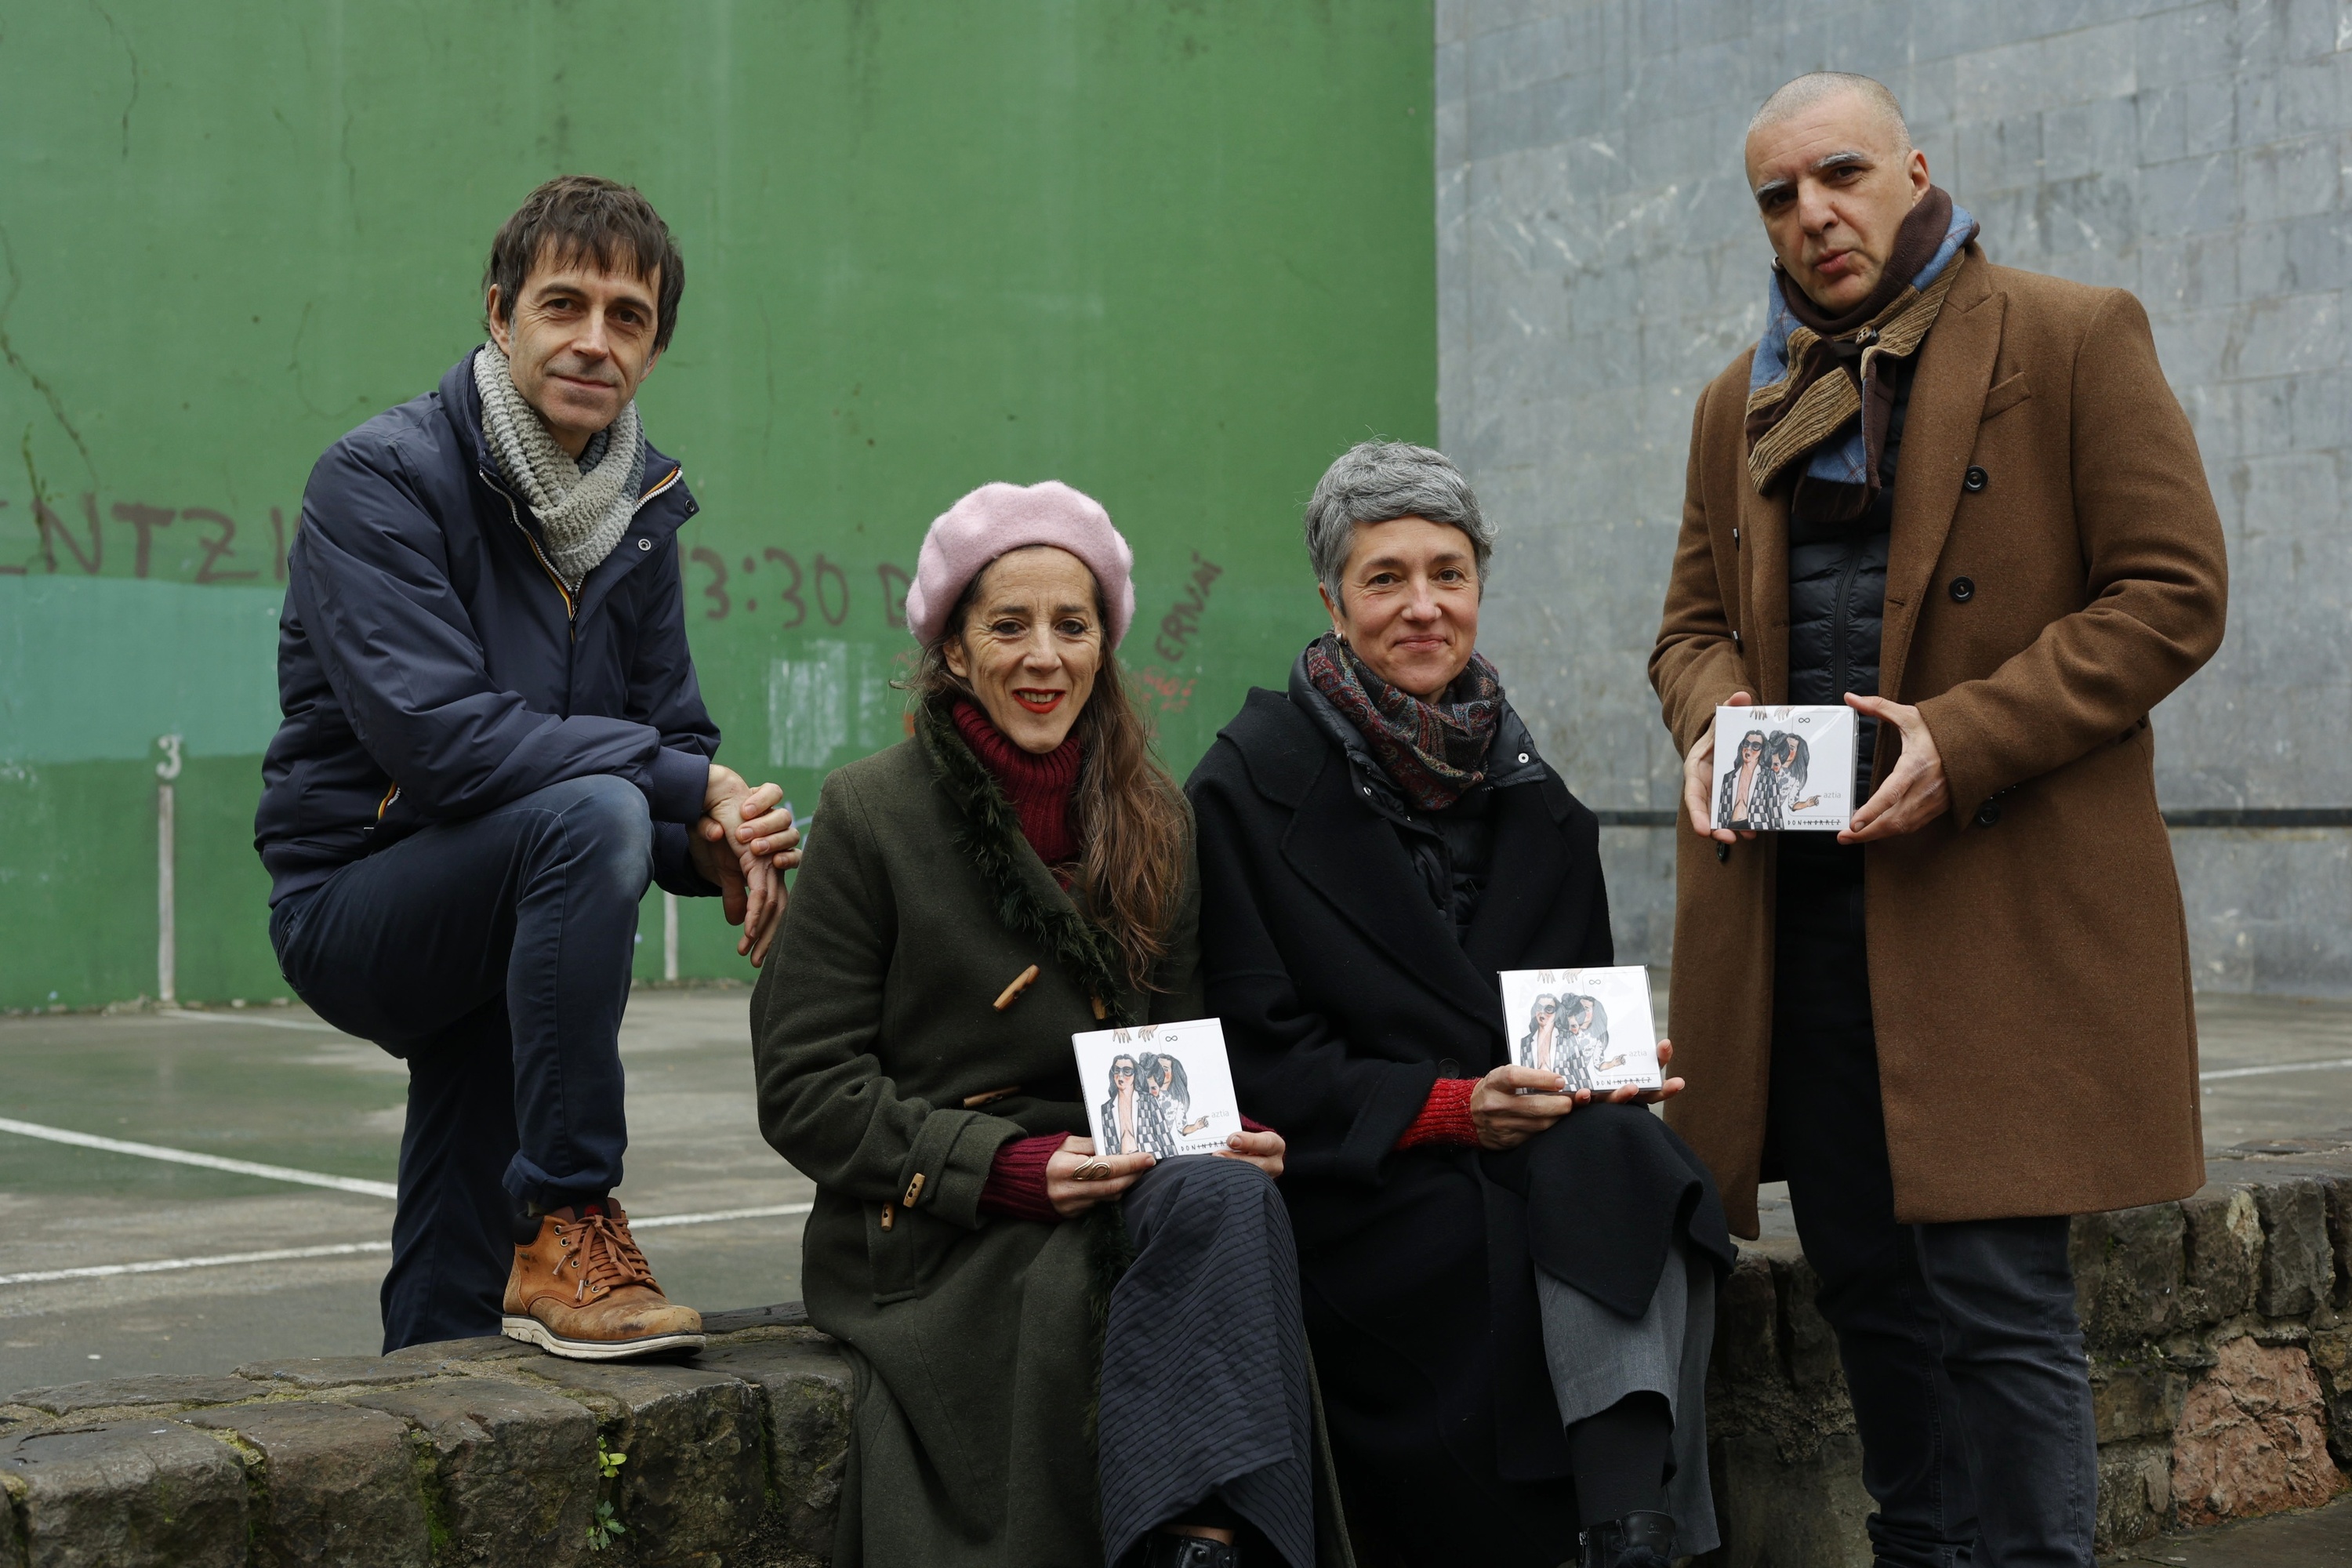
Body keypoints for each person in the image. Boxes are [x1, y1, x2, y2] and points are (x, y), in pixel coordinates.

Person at [1652, 74, 2228, 1566]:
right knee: (1866, 1290)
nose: (1812, 215)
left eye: (1838, 174)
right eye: (1777, 195)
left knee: (1996, 1301)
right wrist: (1712, 720)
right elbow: (1690, 630)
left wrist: (1963, 739)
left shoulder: (2070, 334)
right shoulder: (1744, 399)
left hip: (1992, 905)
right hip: (1806, 923)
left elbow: (2174, 592)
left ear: (1913, 167)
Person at [256, 176, 799, 1358]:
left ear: (655, 348)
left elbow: (673, 742)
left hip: (523, 888)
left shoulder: (639, 510)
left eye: (628, 317)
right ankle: (567, 1212)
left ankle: (434, 1388)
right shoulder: (380, 480)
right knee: (596, 812)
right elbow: (442, 742)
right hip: (359, 893)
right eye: (565, 306)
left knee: (457, 1250)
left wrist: (712, 838)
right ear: (501, 316)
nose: (594, 341)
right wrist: (664, 788)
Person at [750, 481, 1338, 1568]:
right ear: (956, 651)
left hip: (1132, 1182)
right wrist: (1011, 1168)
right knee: (1142, 1273)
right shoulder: (868, 814)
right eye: (1007, 625)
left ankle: (1194, 1551)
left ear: (1103, 647)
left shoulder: (1157, 814)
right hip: (943, 1226)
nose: (1043, 656)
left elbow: (1176, 1043)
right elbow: (802, 1090)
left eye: (1072, 626)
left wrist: (1223, 1128)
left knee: (1233, 1203)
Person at [1188, 441, 1733, 1568]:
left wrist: (1606, 1070)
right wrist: (1447, 1109)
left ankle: (1626, 1528)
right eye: (1386, 578)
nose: (1423, 607)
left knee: (1630, 1152)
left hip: (1527, 1164)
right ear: (1332, 602)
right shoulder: (1245, 787)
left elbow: (1563, 1024)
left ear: (1480, 588)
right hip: (1360, 1186)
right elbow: (1253, 1062)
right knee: (1509, 1232)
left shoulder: (1543, 806)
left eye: (1449, 573)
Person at [1718, 728, 1768, 829]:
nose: (1749, 749)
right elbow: (1721, 813)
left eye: (1755, 746)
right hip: (1730, 826)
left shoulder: (1768, 777)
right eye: (1746, 743)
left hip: (1759, 829)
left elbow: (1774, 811)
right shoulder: (1728, 778)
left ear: (1762, 750)